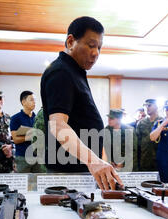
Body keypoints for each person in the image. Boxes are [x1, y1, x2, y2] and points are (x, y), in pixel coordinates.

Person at [40, 16, 122, 190]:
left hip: (82, 169)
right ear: (71, 41)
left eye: (99, 47)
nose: (96, 53)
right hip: (68, 174)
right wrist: (94, 161)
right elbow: (58, 125)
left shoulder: (75, 71)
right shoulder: (61, 72)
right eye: (91, 45)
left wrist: (101, 162)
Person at [10, 90, 46, 173]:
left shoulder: (38, 117)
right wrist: (34, 135)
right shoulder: (16, 118)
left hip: (38, 157)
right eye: (31, 100)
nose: (34, 102)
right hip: (23, 157)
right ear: (23, 102)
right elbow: (15, 139)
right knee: (23, 183)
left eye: (35, 100)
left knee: (39, 183)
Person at [135, 99, 163, 172]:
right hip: (145, 160)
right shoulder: (141, 123)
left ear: (156, 107)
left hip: (160, 159)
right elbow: (137, 144)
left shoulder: (163, 121)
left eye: (149, 105)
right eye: (145, 106)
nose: (147, 107)